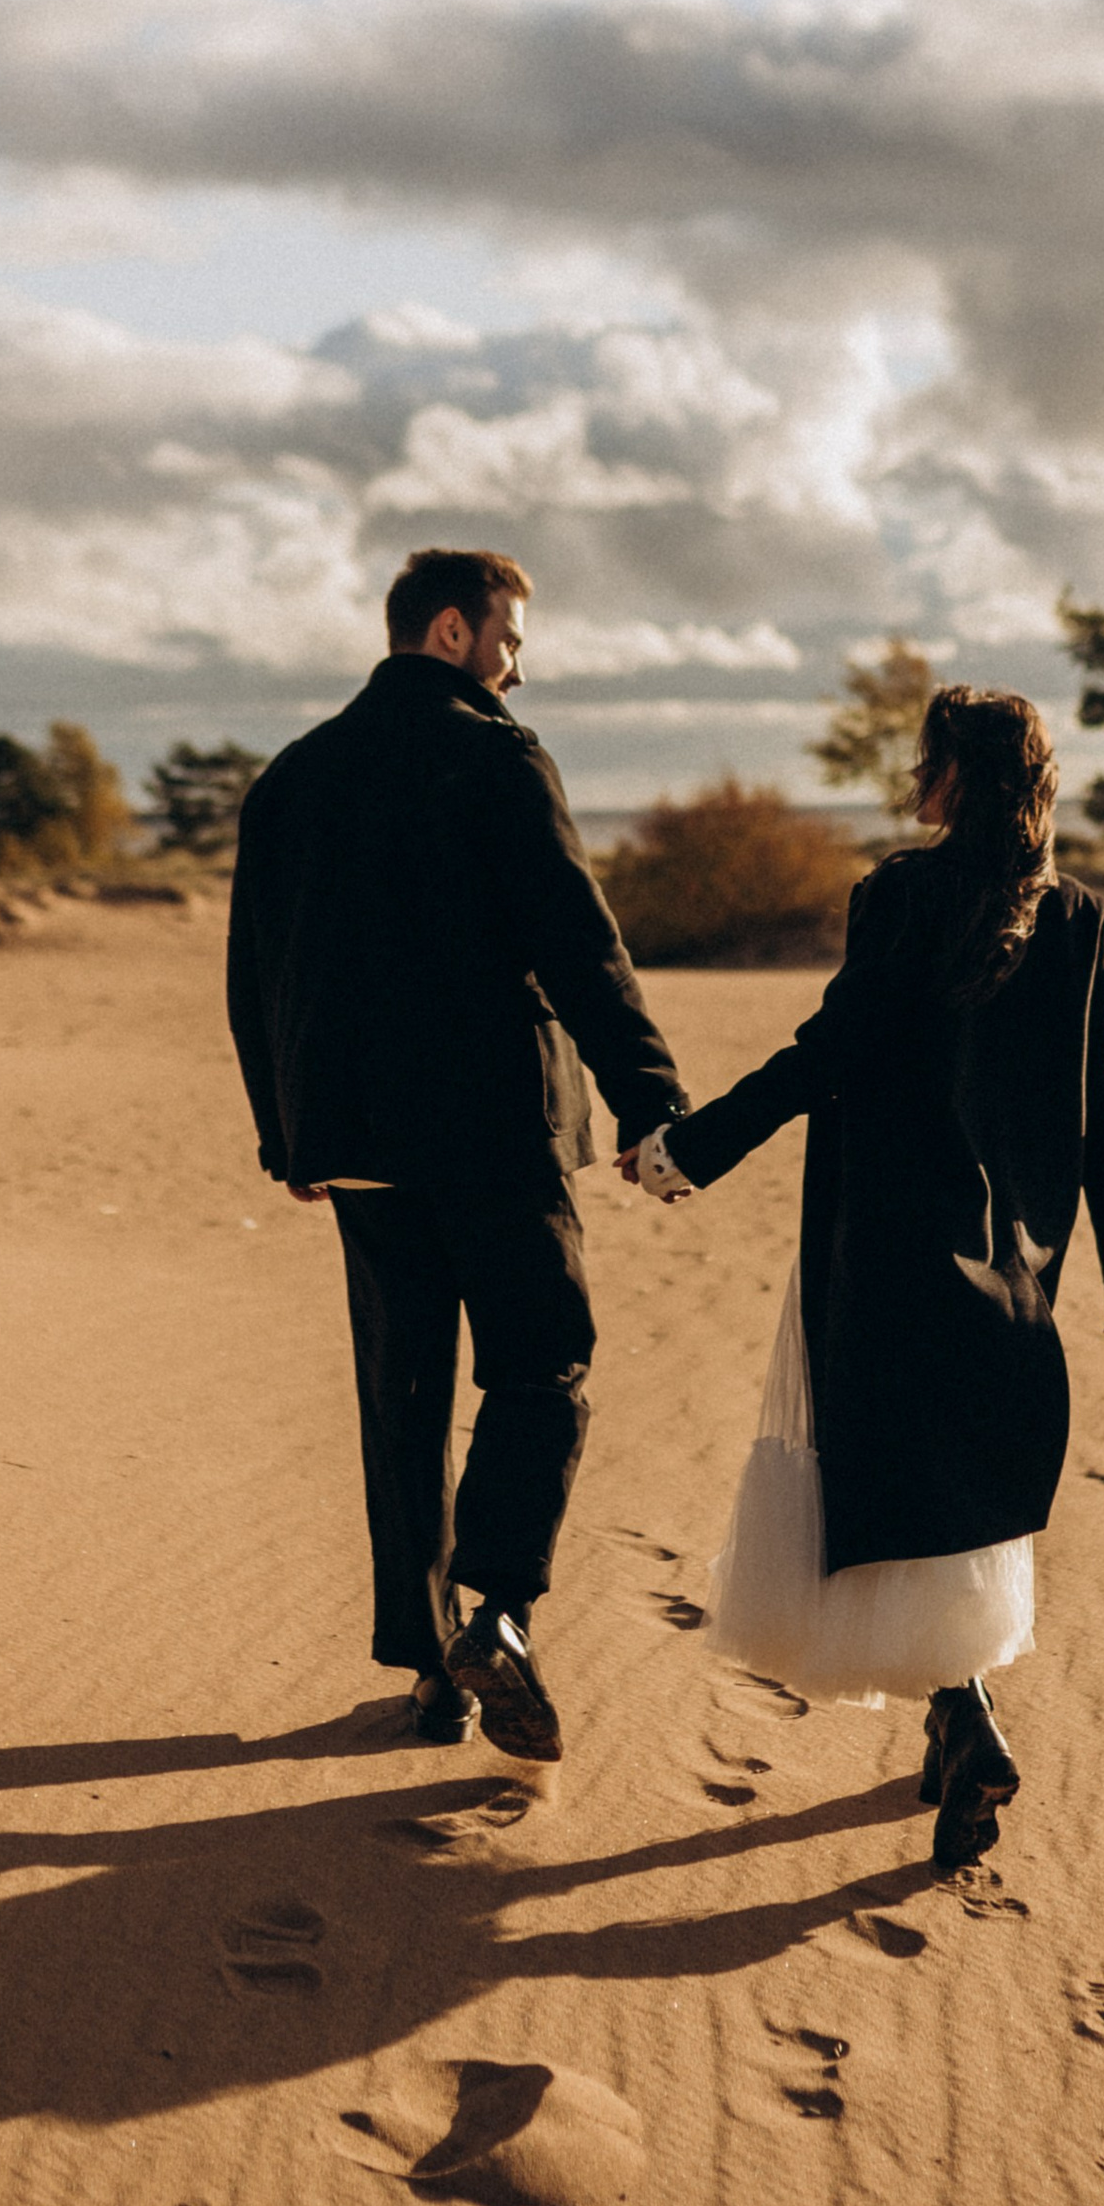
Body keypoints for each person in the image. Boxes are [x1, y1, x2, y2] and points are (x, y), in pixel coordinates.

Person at [627, 684, 1104, 1873]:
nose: (914, 778)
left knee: (895, 1484)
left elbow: (834, 1051)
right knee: (955, 1491)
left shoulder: (901, 895)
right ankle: (953, 1728)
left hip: (885, 1246)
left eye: (927, 759)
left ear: (955, 776)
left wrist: (688, 1151)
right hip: (1012, 1260)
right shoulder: (1078, 913)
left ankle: (964, 1718)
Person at [228, 545, 686, 1764]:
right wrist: (648, 1097)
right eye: (508, 640)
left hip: (354, 1141)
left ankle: (434, 1672)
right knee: (542, 1362)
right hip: (493, 1129)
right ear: (449, 632)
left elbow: (254, 973)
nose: (516, 667)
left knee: (404, 1400)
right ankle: (497, 1612)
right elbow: (577, 943)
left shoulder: (291, 777)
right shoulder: (495, 756)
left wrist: (286, 1130)